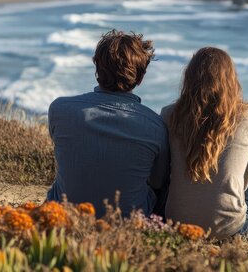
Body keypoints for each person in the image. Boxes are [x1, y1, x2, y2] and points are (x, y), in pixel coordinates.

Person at [46, 30, 169, 218]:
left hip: (65, 215)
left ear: (97, 67)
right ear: (141, 77)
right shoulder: (155, 126)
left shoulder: (60, 109)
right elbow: (158, 181)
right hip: (127, 222)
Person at [161, 47, 248, 239]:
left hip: (177, 223)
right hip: (231, 229)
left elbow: (163, 172)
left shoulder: (169, 114)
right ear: (231, 79)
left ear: (189, 78)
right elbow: (245, 180)